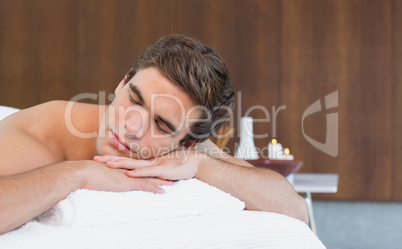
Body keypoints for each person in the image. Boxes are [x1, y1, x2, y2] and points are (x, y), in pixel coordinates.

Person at [0, 34, 308, 234]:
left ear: (187, 142)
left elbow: (294, 209)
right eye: (134, 99)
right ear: (122, 84)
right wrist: (77, 173)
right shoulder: (40, 137)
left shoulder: (185, 151)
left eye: (161, 124)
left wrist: (204, 165)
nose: (132, 127)